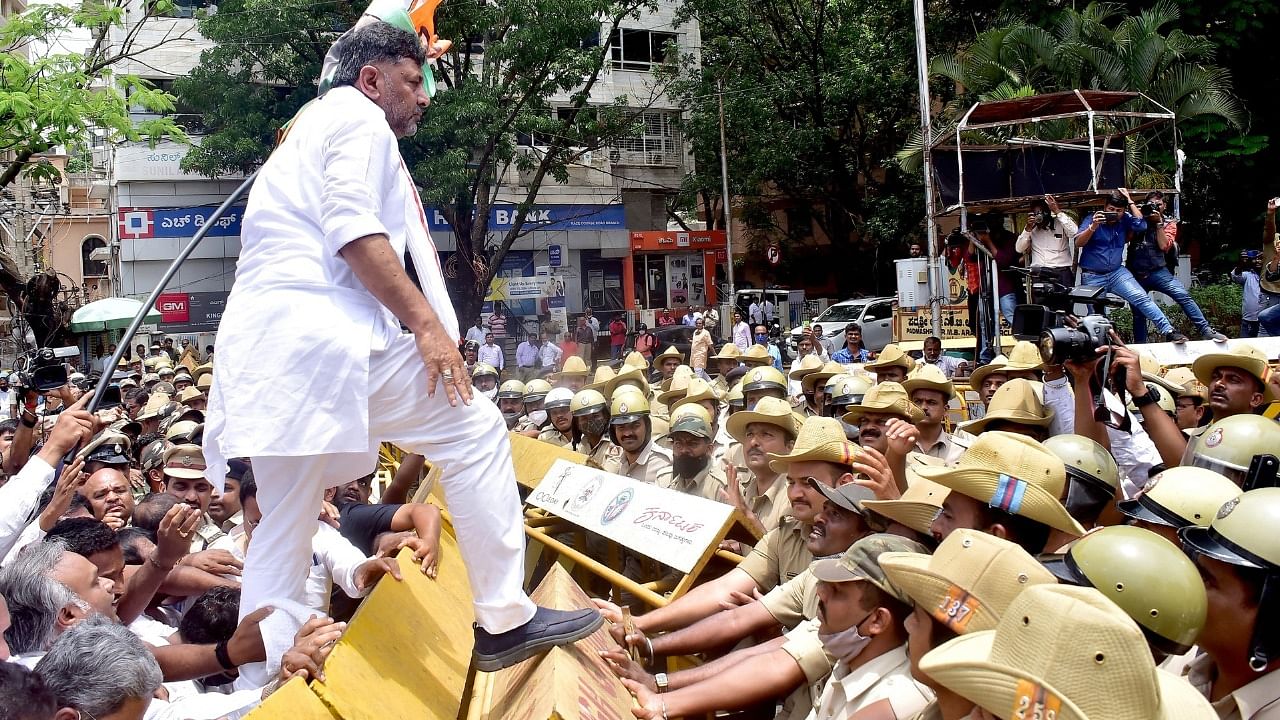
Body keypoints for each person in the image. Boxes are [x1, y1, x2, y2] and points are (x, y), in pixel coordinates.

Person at [202, 21, 599, 676]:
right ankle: (504, 618)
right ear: (371, 81)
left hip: (267, 360)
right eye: (414, 81)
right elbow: (354, 231)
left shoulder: (317, 126)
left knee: (281, 526)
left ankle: (261, 680)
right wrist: (427, 326)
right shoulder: (358, 121)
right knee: (473, 428)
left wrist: (410, 40)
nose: (426, 96)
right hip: (319, 340)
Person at [1075, 189, 1187, 343]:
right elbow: (1078, 242)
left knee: (1141, 298)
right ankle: (1103, 349)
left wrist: (1130, 200)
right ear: (1105, 207)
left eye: (1118, 210)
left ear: (1124, 210)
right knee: (1097, 315)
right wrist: (1093, 226)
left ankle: (1169, 331)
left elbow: (1141, 225)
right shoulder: (1092, 219)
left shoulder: (1125, 219)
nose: (1114, 213)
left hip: (1116, 272)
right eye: (1111, 209)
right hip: (1092, 275)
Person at [1127, 192, 1227, 343]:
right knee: (1138, 312)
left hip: (1157, 270)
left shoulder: (1169, 222)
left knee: (1183, 296)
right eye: (1151, 204)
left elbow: (1164, 246)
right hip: (1136, 273)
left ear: (1164, 206)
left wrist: (1158, 223)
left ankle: (1206, 330)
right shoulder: (1137, 218)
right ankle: (1141, 346)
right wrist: (1138, 215)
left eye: (1158, 204)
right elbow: (1125, 237)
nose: (1155, 207)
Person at [656, 406, 726, 501]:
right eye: (678, 443)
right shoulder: (664, 480)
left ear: (709, 449)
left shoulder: (721, 487)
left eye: (692, 444)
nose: (684, 450)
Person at [1015, 194, 1078, 296]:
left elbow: (1074, 232)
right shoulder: (1031, 229)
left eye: (1040, 213)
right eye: (1035, 214)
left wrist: (1057, 211)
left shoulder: (1060, 224)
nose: (1038, 217)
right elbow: (1019, 248)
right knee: (1043, 308)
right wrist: (1027, 229)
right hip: (1040, 274)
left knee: (1065, 306)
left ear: (1047, 212)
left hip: (1061, 273)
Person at [1258, 198, 1280, 336]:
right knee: (1265, 330)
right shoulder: (1271, 241)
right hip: (1270, 292)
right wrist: (1271, 213)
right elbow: (1269, 229)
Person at [1232, 249, 1264, 337]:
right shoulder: (1248, 275)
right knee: (1246, 346)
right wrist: (1242, 263)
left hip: (1264, 321)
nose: (1257, 261)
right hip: (1249, 320)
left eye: (1261, 258)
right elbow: (1236, 276)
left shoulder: (1269, 276)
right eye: (1255, 259)